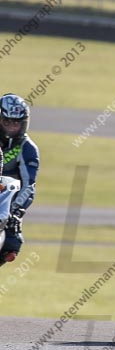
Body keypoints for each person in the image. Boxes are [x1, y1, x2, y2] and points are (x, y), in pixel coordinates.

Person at [0, 94, 40, 266]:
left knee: (13, 243)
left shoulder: (28, 148)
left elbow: (28, 186)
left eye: (15, 123)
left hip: (6, 202)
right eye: (6, 122)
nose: (10, 128)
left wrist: (15, 213)